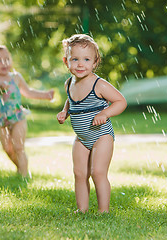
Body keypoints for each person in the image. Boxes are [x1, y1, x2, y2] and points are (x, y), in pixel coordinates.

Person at [57, 34, 127, 213]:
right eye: (75, 59)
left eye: (86, 59)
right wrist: (65, 112)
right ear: (66, 62)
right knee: (80, 174)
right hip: (81, 137)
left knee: (98, 172)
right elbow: (71, 101)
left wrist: (105, 113)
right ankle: (82, 210)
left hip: (101, 135)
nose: (80, 64)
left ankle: (104, 211)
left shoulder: (99, 84)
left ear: (95, 62)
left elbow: (120, 101)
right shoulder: (69, 83)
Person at [0, 44, 54, 177]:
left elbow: (28, 92)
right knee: (7, 149)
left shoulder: (15, 77)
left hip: (18, 118)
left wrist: (45, 95)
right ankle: (20, 168)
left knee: (18, 147)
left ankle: (24, 176)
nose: (4, 63)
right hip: (3, 120)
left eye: (7, 59)